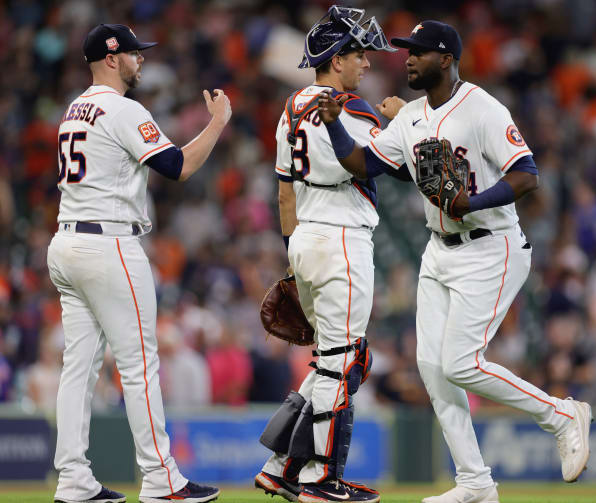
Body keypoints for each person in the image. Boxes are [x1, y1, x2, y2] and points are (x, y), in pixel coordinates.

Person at [318, 20, 592, 503]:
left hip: (491, 245)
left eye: (418, 52)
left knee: (462, 365)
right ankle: (475, 483)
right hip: (438, 250)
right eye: (406, 52)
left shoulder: (483, 108)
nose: (408, 59)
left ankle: (563, 416)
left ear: (445, 59)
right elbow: (364, 164)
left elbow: (528, 176)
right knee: (432, 366)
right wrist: (335, 123)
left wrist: (472, 202)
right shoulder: (412, 117)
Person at [48, 24, 230, 503]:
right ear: (111, 58)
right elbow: (179, 167)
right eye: (132, 52)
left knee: (78, 368)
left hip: (67, 242)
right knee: (139, 365)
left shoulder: (74, 109)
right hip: (108, 245)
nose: (140, 59)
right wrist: (217, 123)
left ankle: (72, 478)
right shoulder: (122, 108)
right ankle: (161, 478)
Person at [253, 6, 406, 503]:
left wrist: (293, 262)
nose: (366, 63)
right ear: (336, 58)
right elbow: (392, 163)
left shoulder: (290, 107)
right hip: (341, 238)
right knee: (344, 362)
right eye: (359, 53)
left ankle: (280, 467)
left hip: (304, 239)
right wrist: (404, 121)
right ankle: (323, 479)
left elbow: (283, 195)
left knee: (328, 364)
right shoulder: (350, 108)